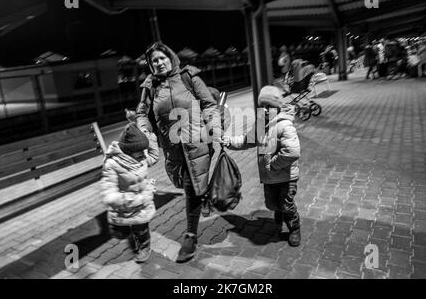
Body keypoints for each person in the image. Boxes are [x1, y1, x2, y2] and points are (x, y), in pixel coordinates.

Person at [135, 42, 221, 263]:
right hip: (172, 149)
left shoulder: (188, 77)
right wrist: (145, 130)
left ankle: (191, 235)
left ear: (170, 58)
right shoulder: (150, 86)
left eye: (162, 58)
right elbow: (142, 113)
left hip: (199, 142)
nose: (159, 62)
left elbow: (209, 104)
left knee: (191, 187)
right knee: (185, 182)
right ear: (150, 65)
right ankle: (205, 197)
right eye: (154, 60)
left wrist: (214, 127)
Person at [222, 86, 302, 247]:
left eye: (269, 106)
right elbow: (247, 140)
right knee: (272, 204)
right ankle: (279, 214)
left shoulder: (284, 124)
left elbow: (292, 151)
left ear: (277, 106)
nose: (265, 110)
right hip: (269, 177)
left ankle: (294, 228)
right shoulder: (261, 125)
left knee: (286, 204)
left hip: (285, 176)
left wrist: (273, 165)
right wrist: (229, 141)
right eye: (262, 106)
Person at [101, 122, 159, 263]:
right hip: (125, 206)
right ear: (128, 151)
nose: (143, 157)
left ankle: (144, 248)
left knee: (142, 229)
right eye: (139, 154)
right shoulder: (112, 164)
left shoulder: (141, 158)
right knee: (121, 233)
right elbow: (109, 196)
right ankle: (123, 230)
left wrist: (149, 137)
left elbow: (154, 156)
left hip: (141, 208)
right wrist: (136, 198)